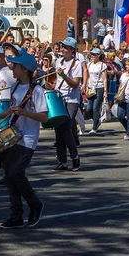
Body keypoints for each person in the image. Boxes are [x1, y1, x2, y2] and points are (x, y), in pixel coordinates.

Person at [0, 52, 47, 228]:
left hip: (28, 138)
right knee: (10, 176)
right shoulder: (16, 87)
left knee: (15, 173)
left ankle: (35, 204)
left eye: (15, 66)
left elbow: (44, 117)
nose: (12, 68)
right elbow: (12, 109)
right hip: (12, 135)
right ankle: (16, 215)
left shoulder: (37, 91)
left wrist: (24, 112)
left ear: (24, 69)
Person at [45, 37, 82, 172]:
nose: (63, 49)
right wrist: (51, 86)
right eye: (62, 47)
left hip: (72, 100)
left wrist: (65, 75)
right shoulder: (59, 61)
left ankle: (75, 157)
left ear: (72, 50)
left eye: (66, 48)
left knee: (66, 128)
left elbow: (75, 84)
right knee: (58, 129)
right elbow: (57, 81)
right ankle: (62, 161)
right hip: (59, 98)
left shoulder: (76, 64)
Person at [84, 48, 108, 135]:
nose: (92, 56)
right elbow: (87, 77)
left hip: (99, 87)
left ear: (98, 55)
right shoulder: (89, 64)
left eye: (94, 55)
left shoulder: (102, 65)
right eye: (91, 55)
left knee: (95, 108)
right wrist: (86, 86)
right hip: (90, 88)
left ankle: (94, 128)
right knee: (88, 108)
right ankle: (96, 120)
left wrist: (105, 91)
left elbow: (104, 78)